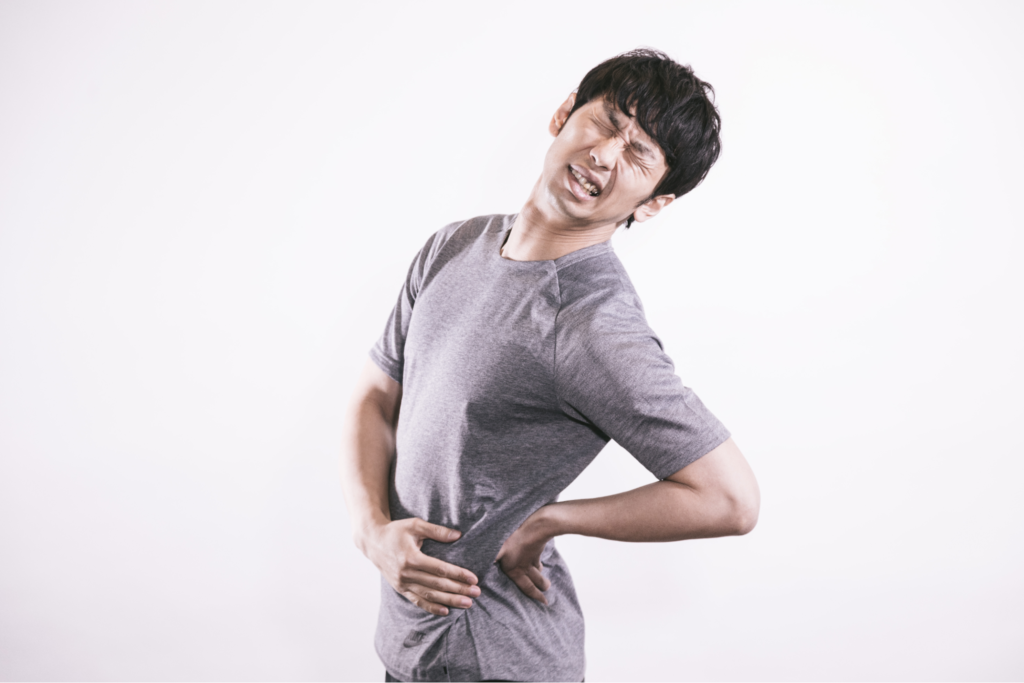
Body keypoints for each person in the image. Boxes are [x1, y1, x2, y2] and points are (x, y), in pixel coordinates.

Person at [340, 48, 760, 683]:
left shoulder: (591, 326)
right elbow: (376, 396)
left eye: (639, 154)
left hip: (493, 658)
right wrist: (371, 529)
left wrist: (548, 520)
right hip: (412, 647)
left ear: (654, 202)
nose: (605, 155)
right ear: (565, 114)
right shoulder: (455, 244)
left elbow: (729, 499)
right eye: (607, 122)